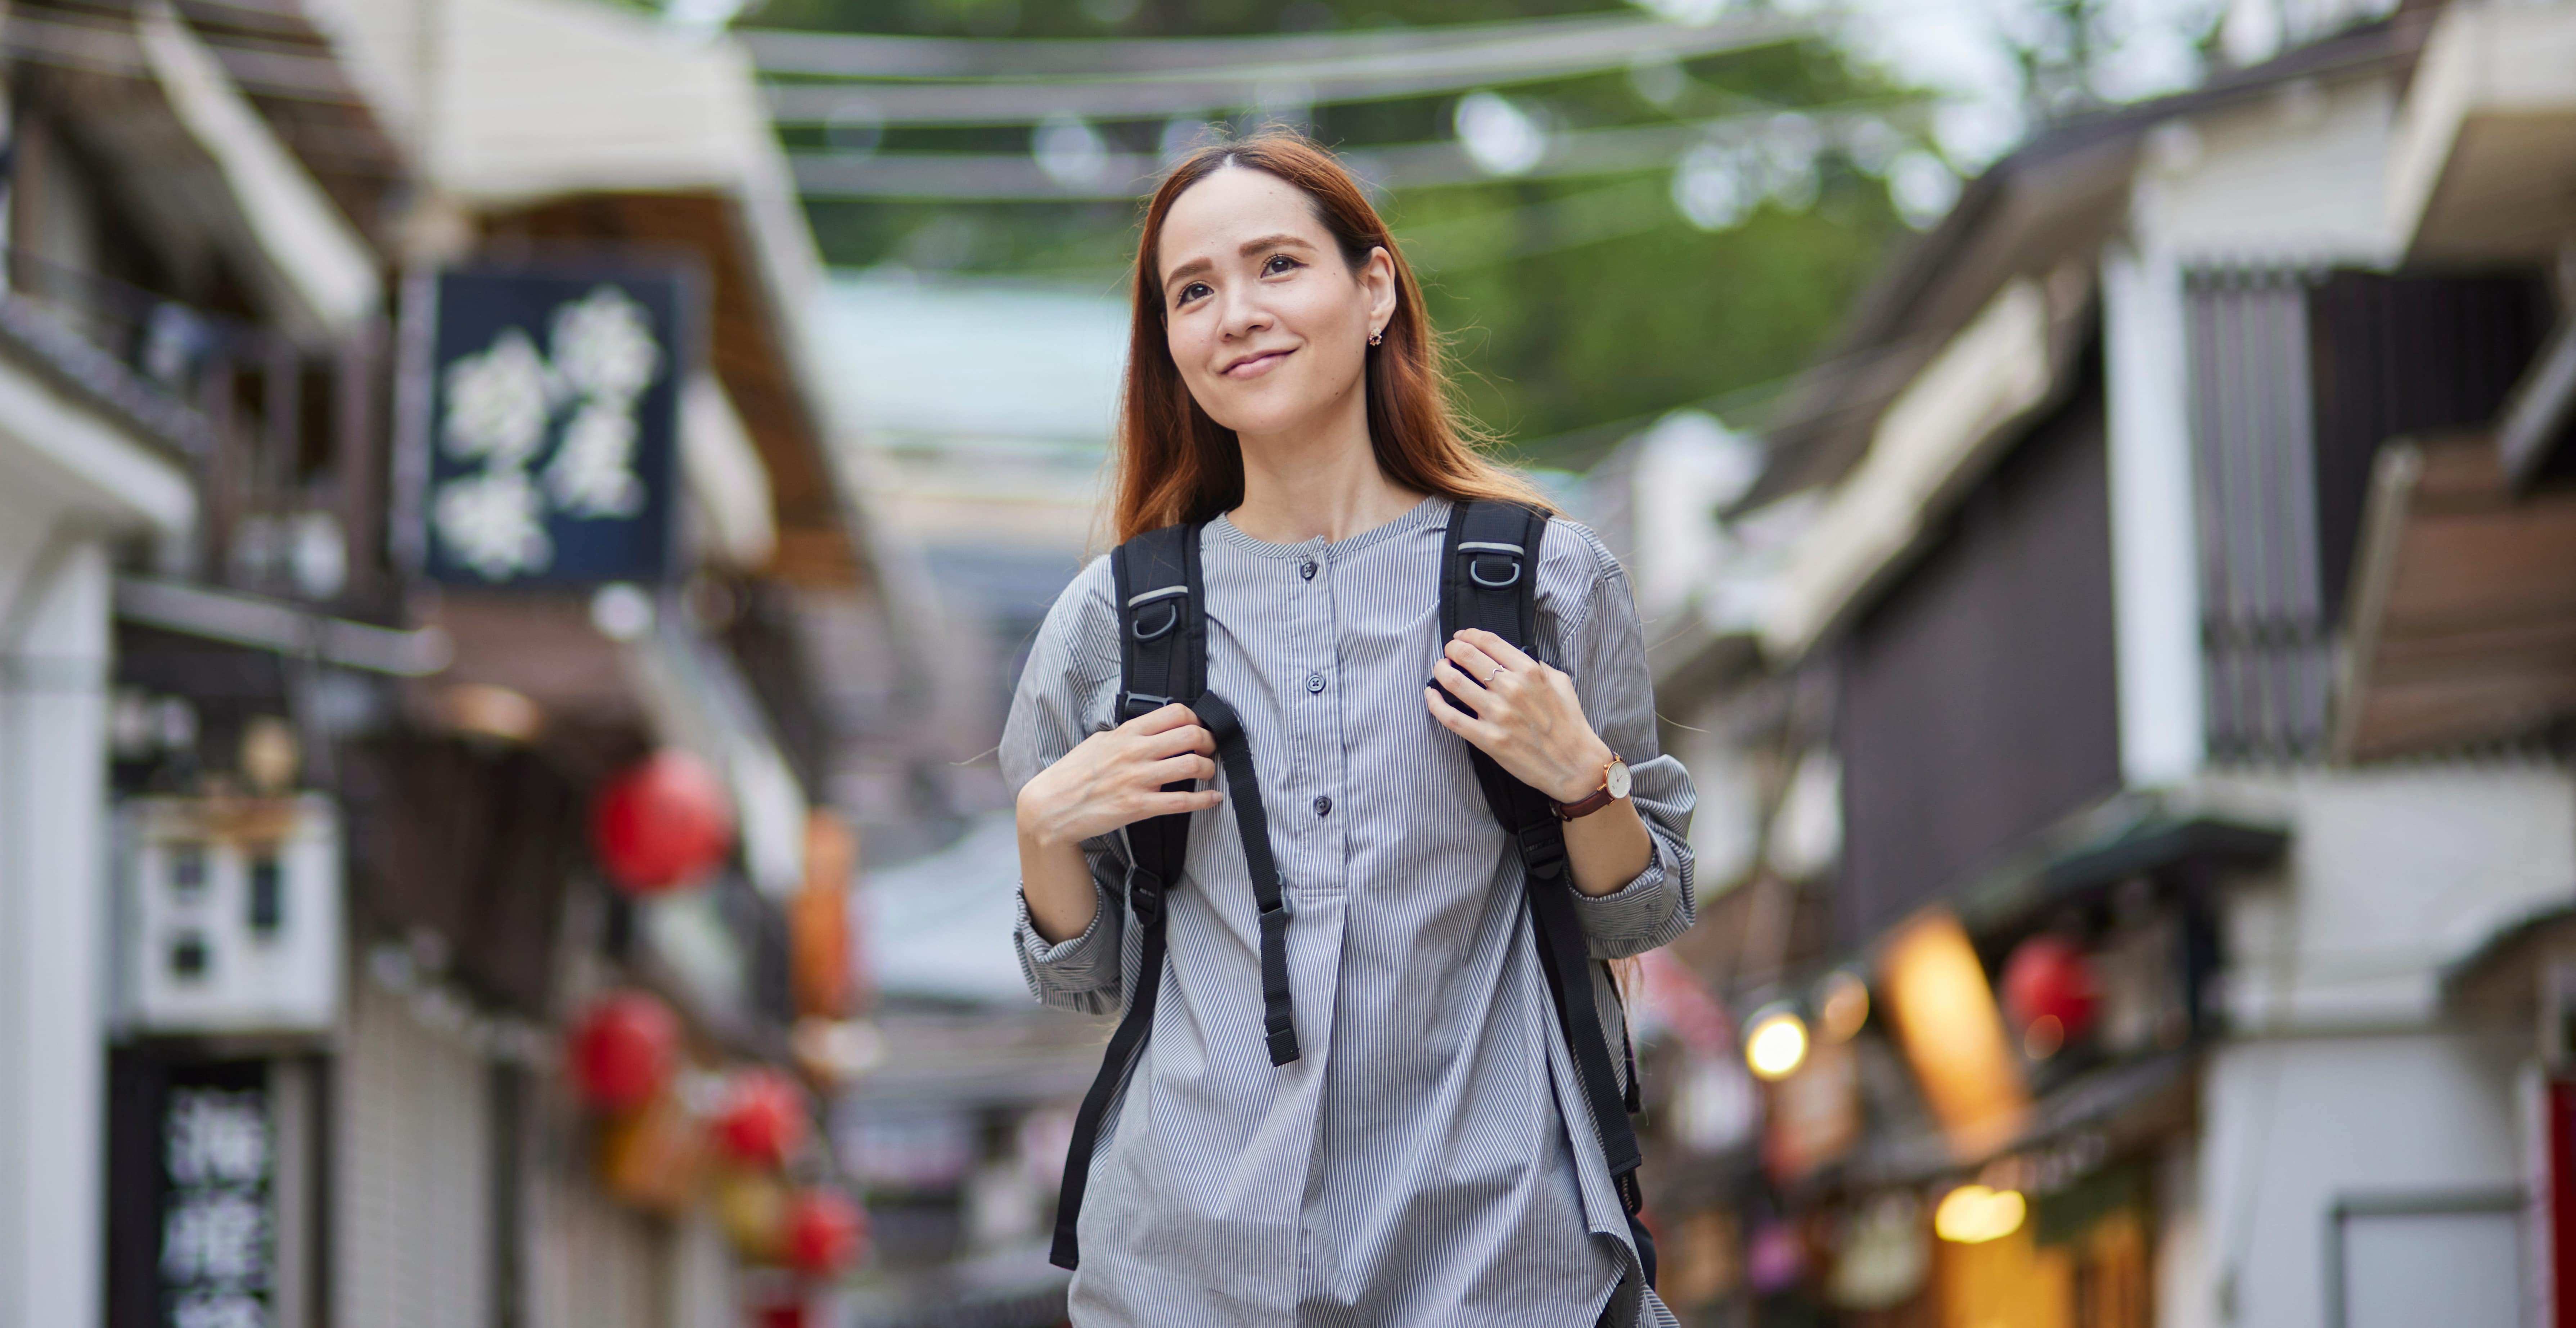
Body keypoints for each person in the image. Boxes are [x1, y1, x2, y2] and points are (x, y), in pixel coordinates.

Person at [1003, 130, 1696, 1326]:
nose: (1236, 316)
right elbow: (1088, 980)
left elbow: (1644, 908)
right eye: (1193, 291)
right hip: (1189, 1272)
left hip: (1498, 1262)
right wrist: (1041, 833)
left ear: (1372, 289)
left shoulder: (1540, 581)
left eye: (1278, 266)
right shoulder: (1115, 623)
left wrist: (1587, 782)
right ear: (1167, 342)